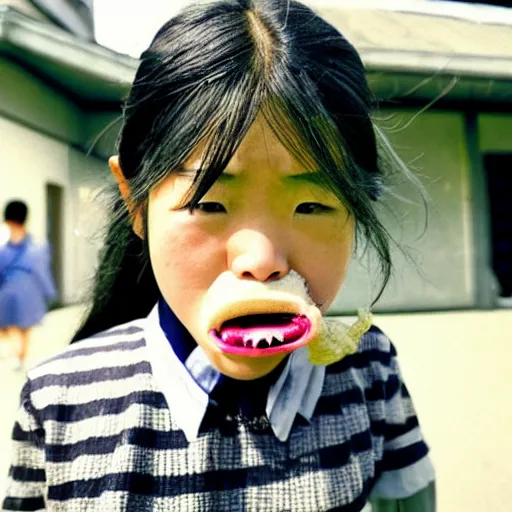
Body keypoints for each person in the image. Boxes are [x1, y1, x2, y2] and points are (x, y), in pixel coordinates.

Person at [2, 1, 435, 510]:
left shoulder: (368, 370)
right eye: (209, 202)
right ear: (135, 204)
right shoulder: (59, 402)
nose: (262, 259)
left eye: (311, 203)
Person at [0, 200, 57, 371]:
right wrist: (50, 293)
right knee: (25, 328)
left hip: (8, 290)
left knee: (9, 325)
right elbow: (43, 273)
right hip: (30, 291)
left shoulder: (3, 249)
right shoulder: (38, 248)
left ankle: (17, 355)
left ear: (7, 220)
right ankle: (20, 356)